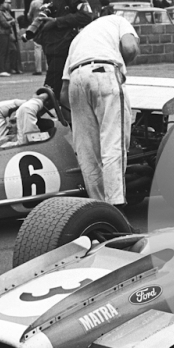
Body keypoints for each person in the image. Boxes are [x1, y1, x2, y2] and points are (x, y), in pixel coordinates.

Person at [60, 14, 140, 207]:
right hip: (105, 71)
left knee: (88, 152)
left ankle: (99, 210)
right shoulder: (120, 21)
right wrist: (120, 71)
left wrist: (83, 115)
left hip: (76, 80)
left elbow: (63, 94)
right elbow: (129, 47)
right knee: (113, 144)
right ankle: (117, 207)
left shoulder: (78, 39)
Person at [33, 0, 92, 100]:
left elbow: (86, 15)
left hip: (64, 47)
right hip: (51, 47)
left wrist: (56, 21)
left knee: (49, 92)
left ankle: (26, 114)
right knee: (60, 94)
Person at [0, 0, 20, 77]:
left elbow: (12, 20)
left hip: (8, 33)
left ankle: (11, 68)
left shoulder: (6, 11)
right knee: (3, 51)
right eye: (6, 2)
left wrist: (11, 21)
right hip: (1, 33)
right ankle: (1, 70)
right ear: (1, 3)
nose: (8, 4)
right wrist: (11, 21)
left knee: (13, 49)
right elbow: (5, 24)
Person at [27, 0, 46, 75]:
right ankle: (49, 67)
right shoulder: (50, 1)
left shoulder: (34, 2)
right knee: (47, 45)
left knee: (37, 46)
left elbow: (29, 14)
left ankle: (38, 69)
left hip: (36, 25)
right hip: (47, 24)